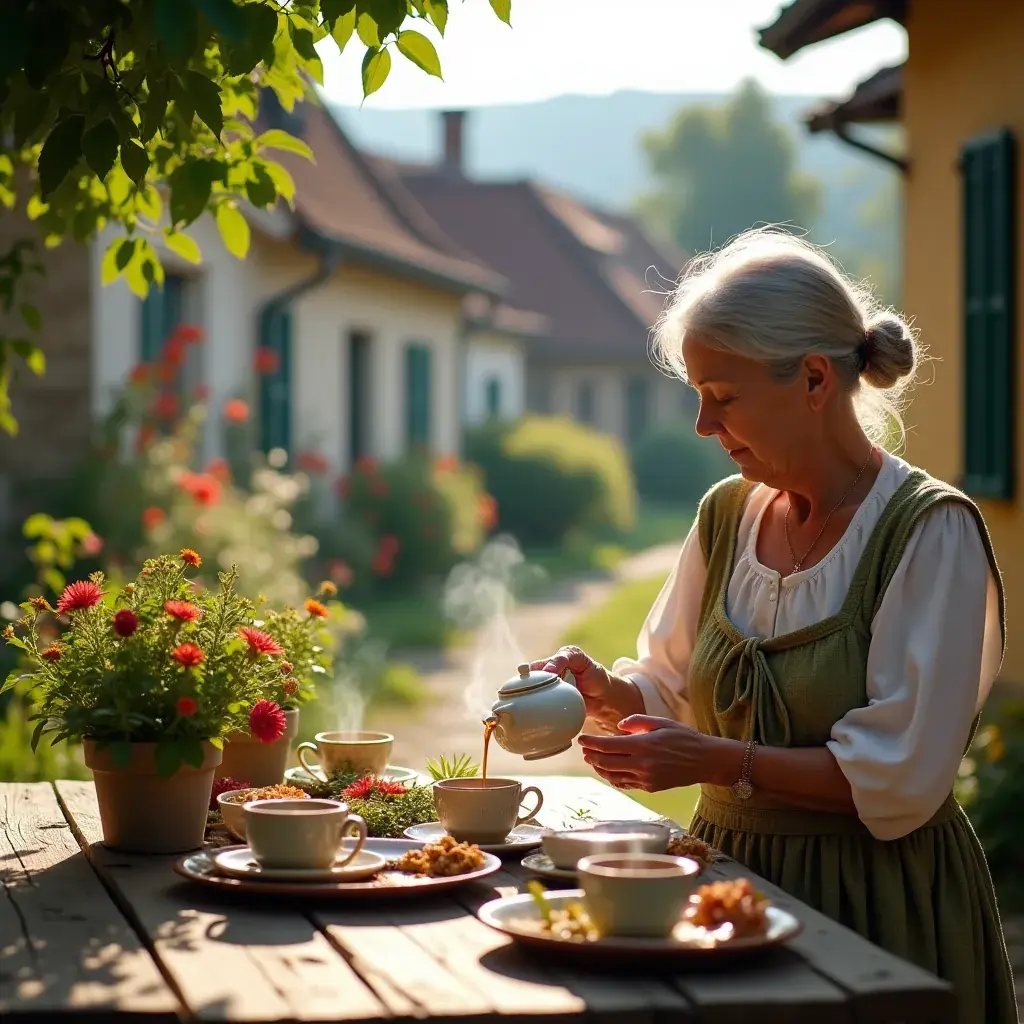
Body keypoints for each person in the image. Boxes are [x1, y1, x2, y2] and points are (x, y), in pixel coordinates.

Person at [534, 228, 1015, 1023]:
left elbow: (898, 777)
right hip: (727, 885)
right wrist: (609, 692)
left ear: (816, 379)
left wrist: (713, 759)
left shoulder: (928, 532)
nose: (701, 424)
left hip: (876, 898)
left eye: (721, 396)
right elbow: (676, 689)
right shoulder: (726, 515)